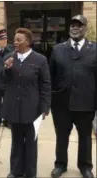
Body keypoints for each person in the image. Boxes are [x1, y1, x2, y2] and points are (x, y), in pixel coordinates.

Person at [0, 28, 51, 178]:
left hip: (32, 108)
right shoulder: (9, 57)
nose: (15, 42)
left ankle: (30, 173)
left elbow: (45, 84)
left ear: (28, 42)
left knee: (31, 142)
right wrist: (6, 68)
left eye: (19, 40)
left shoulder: (40, 60)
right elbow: (0, 81)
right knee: (16, 140)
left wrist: (45, 107)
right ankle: (16, 171)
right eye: (15, 39)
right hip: (14, 107)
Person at [49, 15, 97, 178]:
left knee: (85, 137)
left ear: (85, 28)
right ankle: (60, 165)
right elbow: (50, 77)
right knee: (61, 136)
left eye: (79, 25)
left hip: (86, 103)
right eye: (72, 25)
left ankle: (85, 166)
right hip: (61, 104)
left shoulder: (95, 49)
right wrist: (50, 101)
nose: (75, 28)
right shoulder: (58, 49)